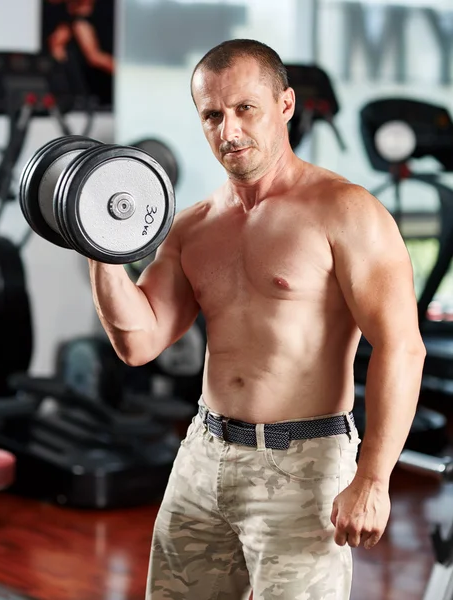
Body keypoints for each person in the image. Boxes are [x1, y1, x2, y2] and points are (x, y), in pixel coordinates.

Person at [88, 40, 426, 599]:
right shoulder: (192, 227)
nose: (230, 131)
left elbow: (401, 347)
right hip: (204, 452)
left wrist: (372, 478)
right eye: (212, 115)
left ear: (285, 105)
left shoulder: (345, 210)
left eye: (246, 108)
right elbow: (139, 342)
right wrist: (98, 244)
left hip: (304, 462)